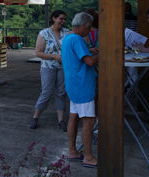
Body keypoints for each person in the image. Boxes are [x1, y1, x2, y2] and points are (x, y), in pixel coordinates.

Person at [62, 12, 99, 168]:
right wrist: (103, 53)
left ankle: (72, 151)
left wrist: (91, 50)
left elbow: (81, 55)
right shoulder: (77, 39)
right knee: (89, 121)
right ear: (85, 26)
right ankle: (88, 156)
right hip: (83, 85)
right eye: (89, 28)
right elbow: (89, 62)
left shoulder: (68, 38)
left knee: (74, 117)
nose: (89, 31)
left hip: (73, 84)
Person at [30, 10, 69, 131]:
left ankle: (61, 120)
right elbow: (38, 52)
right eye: (61, 18)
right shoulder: (44, 33)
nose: (63, 21)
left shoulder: (66, 33)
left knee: (61, 93)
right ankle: (35, 117)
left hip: (63, 67)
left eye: (64, 19)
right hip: (48, 67)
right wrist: (54, 57)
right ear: (54, 18)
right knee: (46, 92)